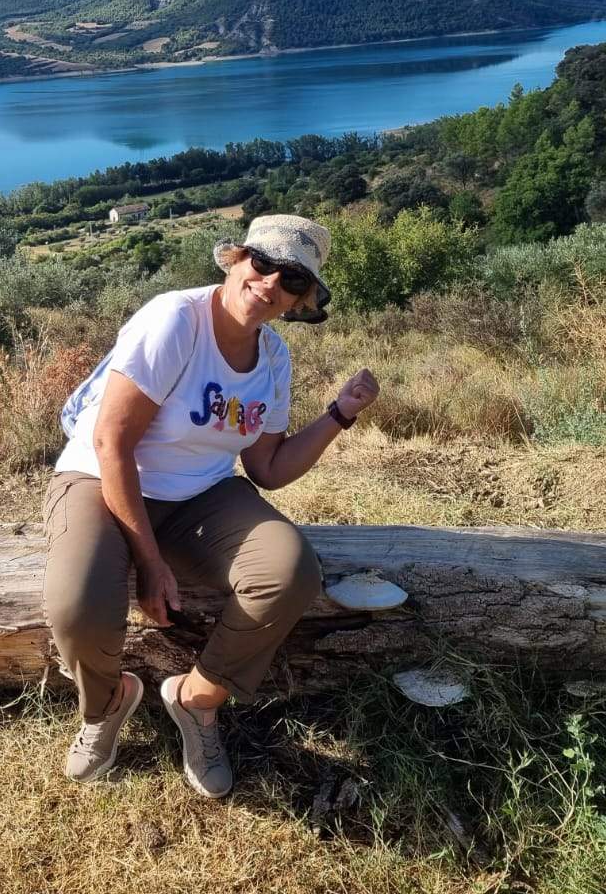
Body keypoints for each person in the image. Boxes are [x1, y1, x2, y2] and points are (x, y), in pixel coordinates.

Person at [44, 213, 380, 797]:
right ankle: (106, 704)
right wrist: (151, 563)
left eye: (292, 279)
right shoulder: (176, 319)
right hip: (102, 478)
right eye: (263, 263)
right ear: (236, 259)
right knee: (77, 604)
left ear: (299, 300)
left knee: (289, 571)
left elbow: (268, 469)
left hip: (200, 494)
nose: (270, 282)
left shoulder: (272, 358)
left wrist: (339, 414)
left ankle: (197, 700)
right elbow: (111, 442)